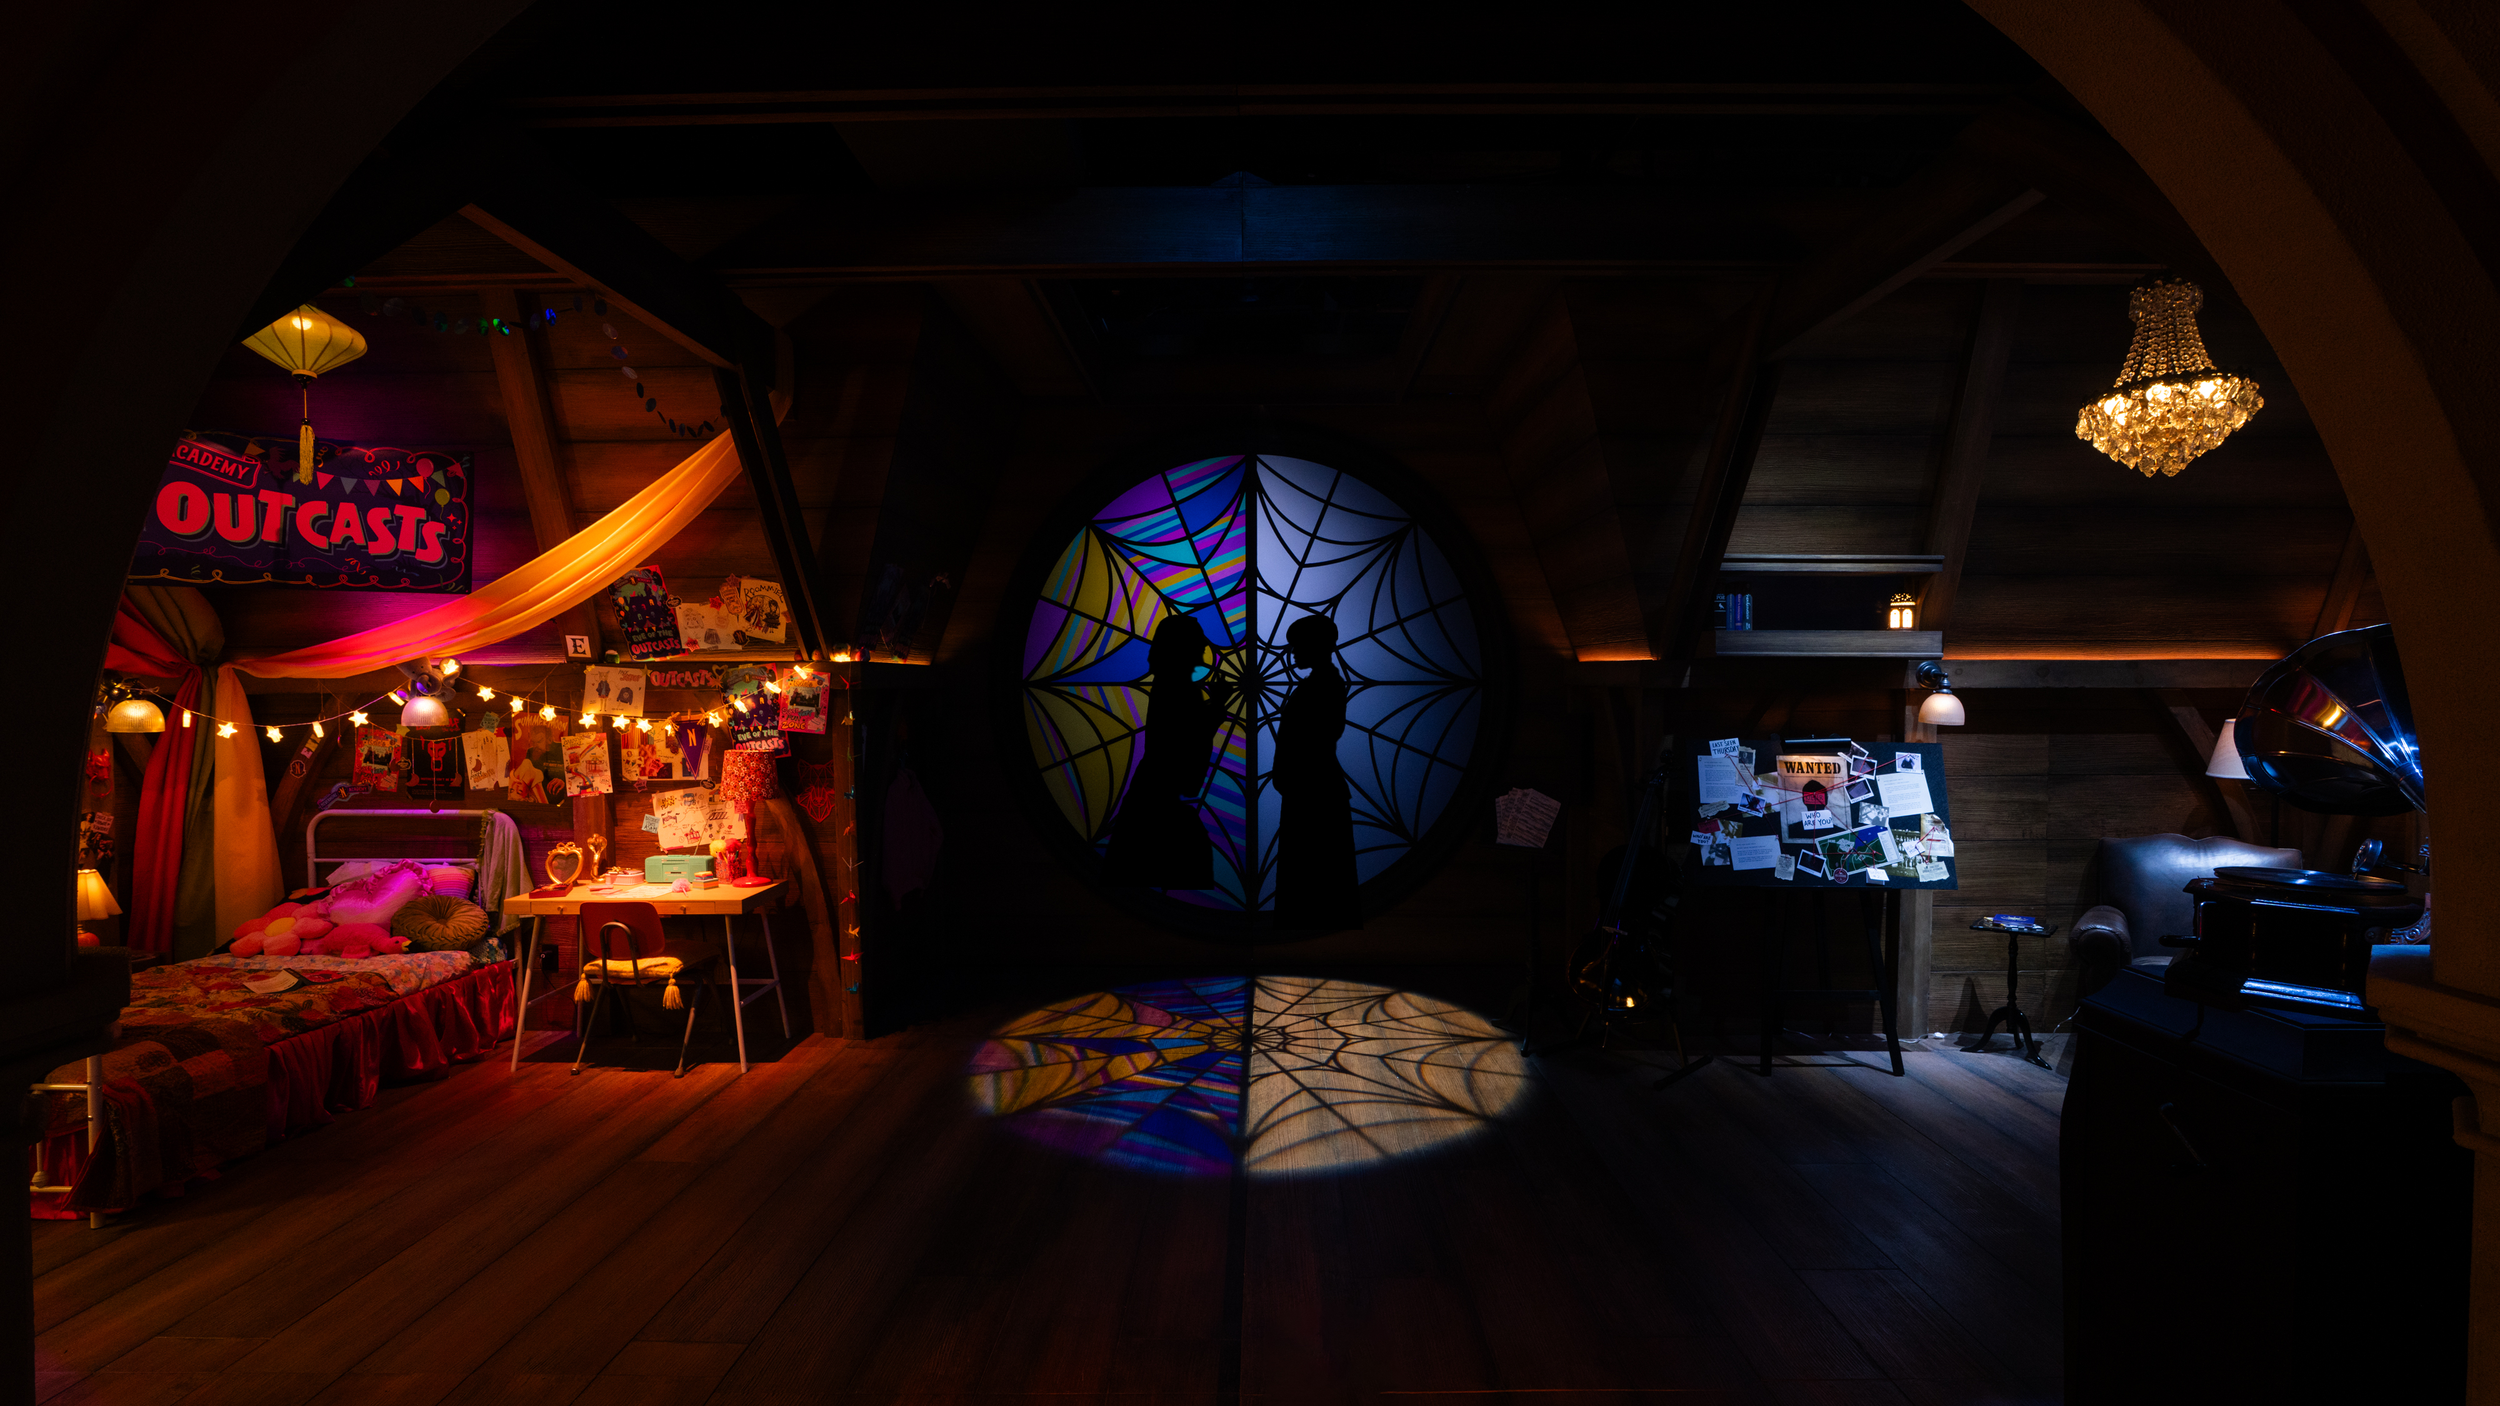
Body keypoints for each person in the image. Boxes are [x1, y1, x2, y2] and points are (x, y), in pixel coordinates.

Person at [1103, 616, 1231, 890]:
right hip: (1161, 799)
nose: (1203, 651)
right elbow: (1187, 743)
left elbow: (1180, 736)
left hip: (1149, 793)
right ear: (1184, 648)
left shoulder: (1167, 684)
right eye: (1198, 645)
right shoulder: (1183, 690)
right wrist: (1216, 707)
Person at [1270, 614, 1362, 930]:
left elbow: (1317, 737)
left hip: (1311, 792)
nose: (1293, 652)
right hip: (1315, 788)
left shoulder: (1322, 686)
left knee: (1309, 880)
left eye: (1298, 645)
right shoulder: (1327, 683)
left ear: (1314, 646)